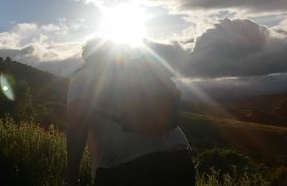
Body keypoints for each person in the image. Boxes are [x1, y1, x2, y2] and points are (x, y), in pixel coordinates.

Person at [66, 39, 195, 186]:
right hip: (179, 157)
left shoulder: (84, 75)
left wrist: (71, 177)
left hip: (125, 167)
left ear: (88, 56)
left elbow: (77, 125)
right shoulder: (140, 71)